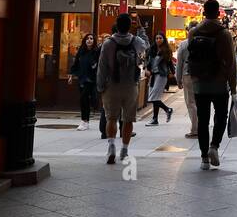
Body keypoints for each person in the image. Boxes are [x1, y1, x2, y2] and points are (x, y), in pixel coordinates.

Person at [188, 0, 237, 169]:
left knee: (202, 119)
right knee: (220, 117)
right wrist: (233, 86)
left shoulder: (193, 32)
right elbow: (231, 63)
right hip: (219, 83)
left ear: (203, 12)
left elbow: (191, 56)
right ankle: (214, 146)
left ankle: (203, 158)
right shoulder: (224, 34)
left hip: (199, 84)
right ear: (218, 13)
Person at [96, 13, 148, 164]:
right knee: (128, 119)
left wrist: (100, 86)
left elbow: (102, 67)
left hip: (112, 85)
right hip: (131, 85)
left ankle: (111, 147)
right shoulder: (136, 41)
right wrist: (140, 28)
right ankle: (124, 150)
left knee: (111, 118)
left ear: (116, 26)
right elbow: (146, 45)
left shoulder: (108, 43)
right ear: (129, 26)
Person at [68, 33, 98, 130]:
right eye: (87, 39)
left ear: (94, 41)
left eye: (91, 39)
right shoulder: (81, 52)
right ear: (84, 41)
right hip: (82, 79)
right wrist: (71, 76)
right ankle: (86, 121)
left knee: (83, 98)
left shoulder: (96, 52)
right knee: (84, 100)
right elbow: (75, 64)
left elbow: (98, 66)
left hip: (91, 80)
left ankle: (84, 121)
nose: (89, 40)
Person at [176, 22, 199, 138]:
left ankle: (195, 129)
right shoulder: (204, 43)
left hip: (188, 75)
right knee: (200, 102)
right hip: (201, 77)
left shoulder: (183, 44)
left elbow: (179, 63)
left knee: (191, 103)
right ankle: (201, 126)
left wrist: (178, 79)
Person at [146, 32, 174, 124]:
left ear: (164, 39)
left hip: (161, 75)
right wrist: (147, 69)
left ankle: (167, 109)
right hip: (153, 75)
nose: (158, 40)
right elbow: (148, 62)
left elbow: (170, 63)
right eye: (157, 38)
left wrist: (172, 72)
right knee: (154, 97)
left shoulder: (166, 50)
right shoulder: (152, 49)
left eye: (160, 38)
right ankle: (155, 119)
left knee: (153, 97)